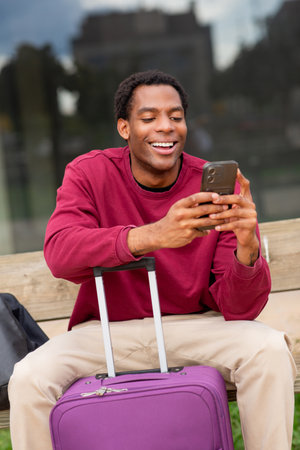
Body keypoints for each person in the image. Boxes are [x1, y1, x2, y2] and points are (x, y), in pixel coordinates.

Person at [9, 70, 296, 449]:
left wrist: (247, 248)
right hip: (106, 331)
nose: (166, 128)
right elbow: (61, 253)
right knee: (29, 376)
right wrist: (155, 235)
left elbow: (239, 309)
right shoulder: (89, 172)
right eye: (149, 118)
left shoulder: (209, 183)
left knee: (268, 350)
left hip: (194, 327)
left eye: (176, 117)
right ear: (124, 128)